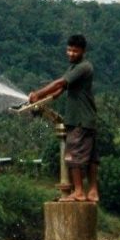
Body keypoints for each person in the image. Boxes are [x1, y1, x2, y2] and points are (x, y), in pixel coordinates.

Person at [25, 34, 100, 204]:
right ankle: (93, 192)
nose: (71, 53)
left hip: (79, 120)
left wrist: (38, 94)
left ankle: (79, 192)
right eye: (69, 50)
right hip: (87, 119)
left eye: (75, 51)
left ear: (83, 51)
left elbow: (60, 83)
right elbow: (60, 90)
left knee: (73, 156)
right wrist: (43, 99)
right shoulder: (74, 68)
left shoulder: (83, 67)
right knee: (91, 158)